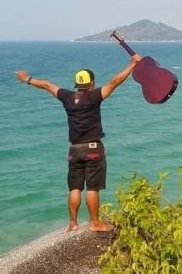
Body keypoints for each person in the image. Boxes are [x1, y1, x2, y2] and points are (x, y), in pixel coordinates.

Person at [15, 55, 141, 232]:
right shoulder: (94, 97)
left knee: (75, 187)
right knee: (92, 188)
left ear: (77, 84)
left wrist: (26, 79)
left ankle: (73, 224)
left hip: (74, 150)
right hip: (92, 148)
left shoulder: (67, 97)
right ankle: (95, 223)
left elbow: (46, 85)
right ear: (92, 83)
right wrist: (133, 64)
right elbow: (115, 81)